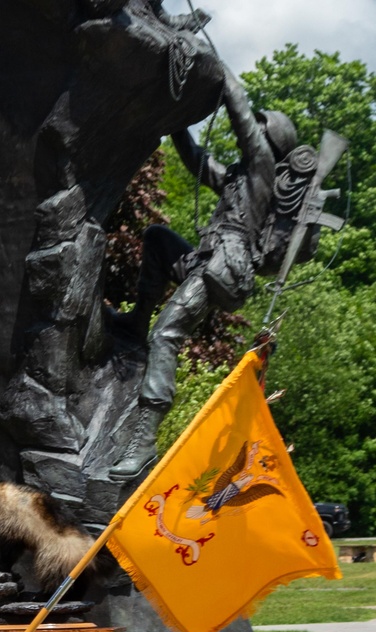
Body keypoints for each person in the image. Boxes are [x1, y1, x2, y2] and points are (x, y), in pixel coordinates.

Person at [109, 65, 299, 480]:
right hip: (207, 261)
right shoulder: (238, 178)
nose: (253, 134)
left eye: (260, 131)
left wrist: (218, 72)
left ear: (269, 143)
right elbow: (196, 160)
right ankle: (135, 322)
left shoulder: (263, 168)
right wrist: (175, 122)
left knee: (167, 334)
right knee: (159, 237)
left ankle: (143, 445)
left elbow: (240, 112)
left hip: (223, 269)